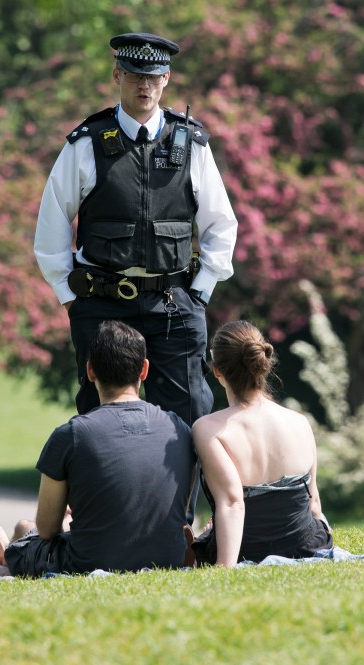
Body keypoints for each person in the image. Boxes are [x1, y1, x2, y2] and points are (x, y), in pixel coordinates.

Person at [34, 31, 238, 425]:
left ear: (166, 79)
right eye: (133, 74)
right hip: (102, 304)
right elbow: (51, 227)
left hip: (176, 304)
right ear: (117, 76)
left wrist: (201, 291)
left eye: (153, 76)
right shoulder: (85, 143)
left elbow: (221, 224)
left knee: (191, 422)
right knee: (101, 424)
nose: (144, 85)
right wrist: (70, 298)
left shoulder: (192, 143)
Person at [0, 320, 196, 577]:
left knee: (29, 532)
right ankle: (9, 552)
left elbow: (47, 529)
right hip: (169, 558)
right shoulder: (180, 429)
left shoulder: (70, 435)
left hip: (88, 563)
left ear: (90, 371)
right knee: (28, 529)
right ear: (145, 370)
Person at [189, 321, 333, 567]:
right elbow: (314, 502)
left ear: (217, 371)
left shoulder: (207, 429)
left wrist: (225, 569)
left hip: (246, 550)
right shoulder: (300, 422)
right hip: (306, 546)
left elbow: (232, 503)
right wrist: (327, 547)